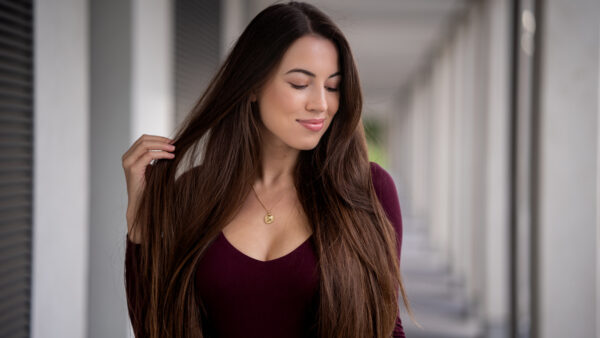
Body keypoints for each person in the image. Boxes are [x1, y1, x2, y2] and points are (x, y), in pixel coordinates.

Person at [121, 1, 416, 337]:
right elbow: (157, 328)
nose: (321, 103)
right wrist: (140, 228)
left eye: (332, 86)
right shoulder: (193, 192)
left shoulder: (369, 190)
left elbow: (385, 326)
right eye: (300, 83)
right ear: (251, 87)